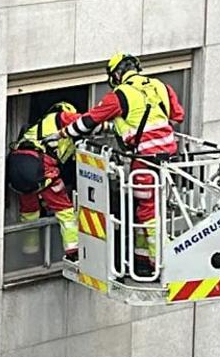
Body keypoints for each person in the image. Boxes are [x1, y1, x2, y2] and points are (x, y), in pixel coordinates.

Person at [59, 53, 184, 278]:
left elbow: (89, 120)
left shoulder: (119, 95)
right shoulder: (160, 86)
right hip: (168, 154)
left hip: (146, 157)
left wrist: (65, 132)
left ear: (116, 74)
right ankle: (142, 257)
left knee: (146, 208)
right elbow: (178, 115)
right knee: (148, 205)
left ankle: (162, 260)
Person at [6, 108, 80, 264]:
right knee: (65, 211)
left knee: (29, 211)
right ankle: (73, 252)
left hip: (22, 172)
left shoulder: (34, 130)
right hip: (44, 172)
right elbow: (86, 120)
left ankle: (29, 251)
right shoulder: (61, 118)